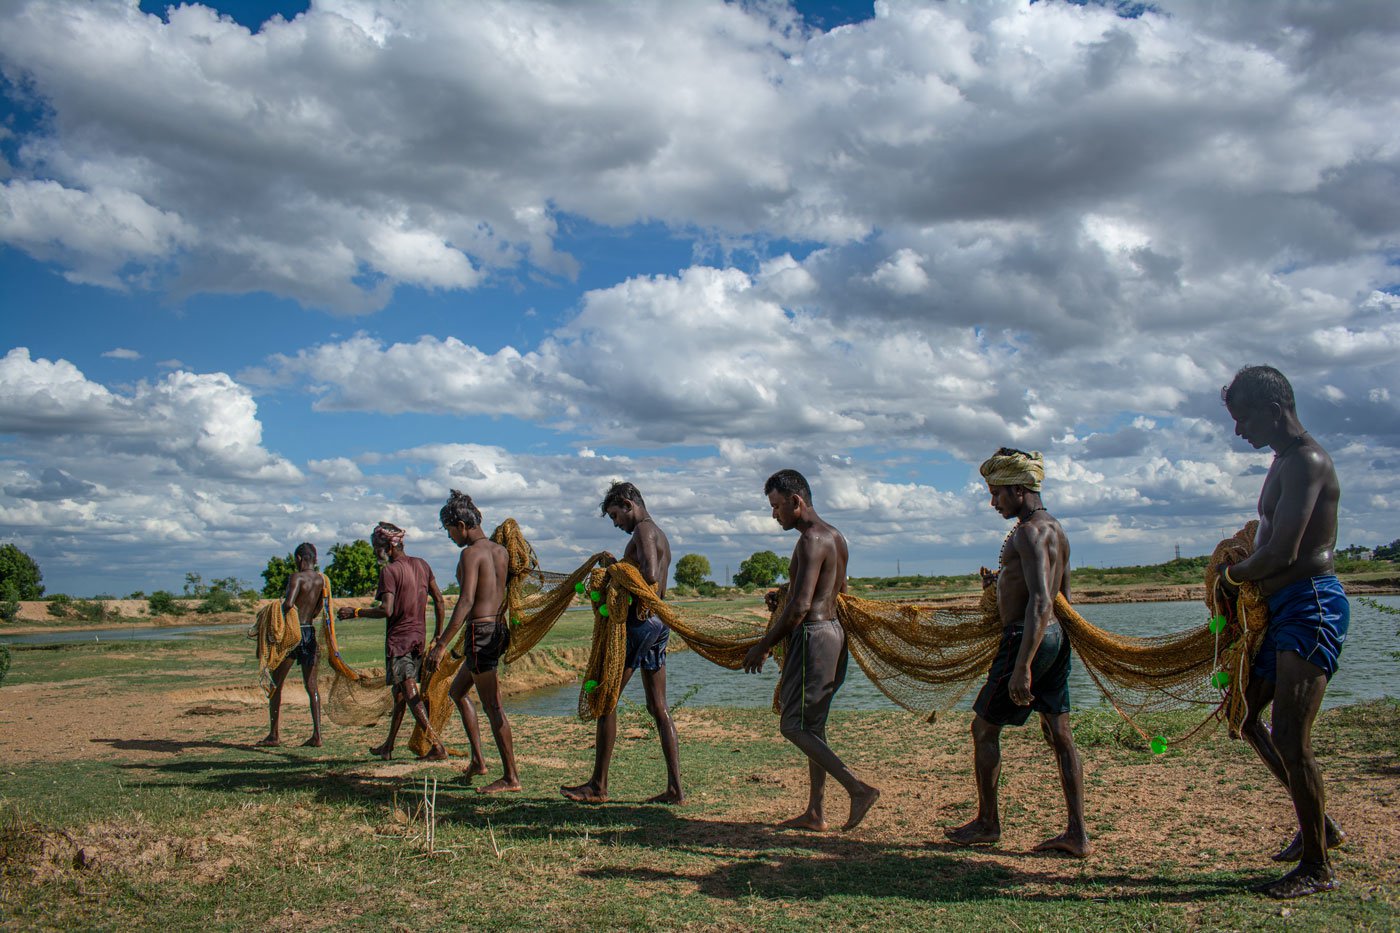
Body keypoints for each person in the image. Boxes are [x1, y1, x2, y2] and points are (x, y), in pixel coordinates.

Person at [1218, 365, 1348, 899]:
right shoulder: (1282, 462)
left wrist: (1229, 576)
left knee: (1291, 735)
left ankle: (1317, 868)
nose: (1238, 430)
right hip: (1282, 608)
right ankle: (1321, 827)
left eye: (1242, 417)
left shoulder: (1308, 461)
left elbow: (1285, 552)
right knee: (1246, 715)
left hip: (1310, 605)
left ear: (1273, 410)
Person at [945, 448, 1089, 857]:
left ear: (1019, 489)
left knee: (984, 728)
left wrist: (1023, 665)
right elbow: (1064, 598)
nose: (994, 503)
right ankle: (1077, 834)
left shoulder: (1028, 532)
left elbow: (1042, 600)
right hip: (1055, 637)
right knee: (1060, 734)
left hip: (1026, 637)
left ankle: (988, 823)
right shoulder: (1056, 529)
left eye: (997, 494)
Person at [742, 469, 879, 832]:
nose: (774, 515)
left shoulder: (810, 540)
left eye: (776, 507)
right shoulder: (835, 536)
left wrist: (762, 646)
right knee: (813, 727)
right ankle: (815, 812)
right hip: (833, 633)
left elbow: (802, 607)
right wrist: (783, 594)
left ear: (796, 502)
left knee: (792, 724)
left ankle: (858, 789)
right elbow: (837, 590)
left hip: (812, 636)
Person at [562, 482, 685, 804]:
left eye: (616, 515)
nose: (616, 523)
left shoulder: (643, 531)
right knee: (658, 707)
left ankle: (598, 786)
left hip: (641, 624)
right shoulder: (657, 532)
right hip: (657, 624)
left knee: (606, 700)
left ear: (629, 504)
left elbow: (651, 575)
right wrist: (617, 564)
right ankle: (675, 789)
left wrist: (613, 570)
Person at [427, 491, 518, 793]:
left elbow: (465, 602)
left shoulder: (470, 554)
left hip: (480, 634)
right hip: (496, 630)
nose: (451, 537)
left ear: (462, 524)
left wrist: (441, 644)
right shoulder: (501, 552)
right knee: (457, 691)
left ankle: (511, 778)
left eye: (450, 530)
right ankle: (479, 761)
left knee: (493, 706)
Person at [336, 522, 447, 761]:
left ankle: (436, 745)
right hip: (418, 638)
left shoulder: (389, 571)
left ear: (387, 546)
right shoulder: (422, 565)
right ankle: (388, 746)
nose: (375, 551)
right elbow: (439, 600)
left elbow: (387, 610)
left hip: (400, 641)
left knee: (407, 689)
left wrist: (355, 612)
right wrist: (438, 635)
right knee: (399, 693)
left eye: (376, 547)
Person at [255, 542, 326, 748]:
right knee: (311, 686)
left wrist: (274, 610)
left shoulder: (296, 578)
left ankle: (274, 735)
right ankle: (317, 736)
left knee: (276, 684)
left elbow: (288, 604)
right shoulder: (321, 580)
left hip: (292, 635)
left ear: (298, 558)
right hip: (309, 633)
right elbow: (318, 609)